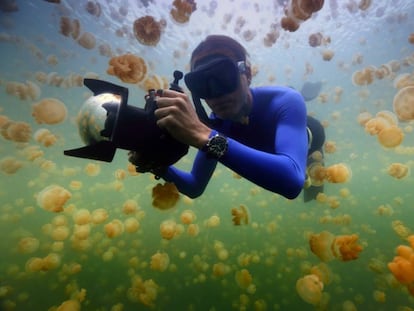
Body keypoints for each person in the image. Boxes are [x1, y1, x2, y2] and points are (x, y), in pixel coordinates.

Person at [129, 34, 324, 200]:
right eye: (202, 84)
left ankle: (306, 98)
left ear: (246, 73)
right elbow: (194, 186)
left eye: (223, 76)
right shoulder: (217, 126)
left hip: (307, 134)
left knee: (305, 139)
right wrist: (159, 166)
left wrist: (201, 134)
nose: (216, 94)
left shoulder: (285, 100)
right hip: (232, 139)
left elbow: (292, 181)